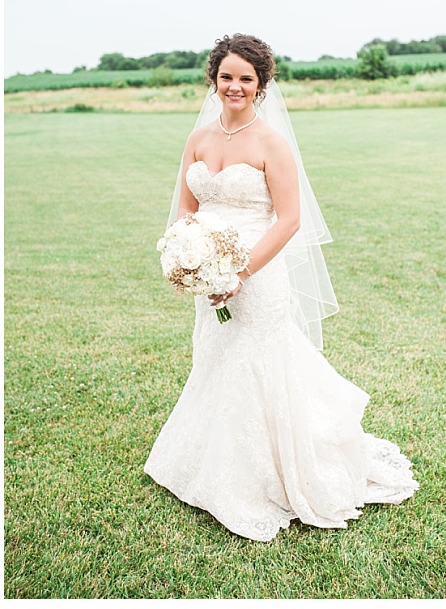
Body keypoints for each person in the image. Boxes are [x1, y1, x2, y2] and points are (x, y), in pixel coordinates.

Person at [145, 34, 418, 542]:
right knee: (216, 359)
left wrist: (238, 272)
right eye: (227, 76)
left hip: (258, 272)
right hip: (210, 273)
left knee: (261, 363)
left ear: (262, 85)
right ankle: (212, 465)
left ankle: (273, 474)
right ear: (214, 79)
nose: (235, 86)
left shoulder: (272, 143)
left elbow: (289, 220)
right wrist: (194, 259)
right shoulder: (199, 140)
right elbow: (186, 207)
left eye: (246, 79)